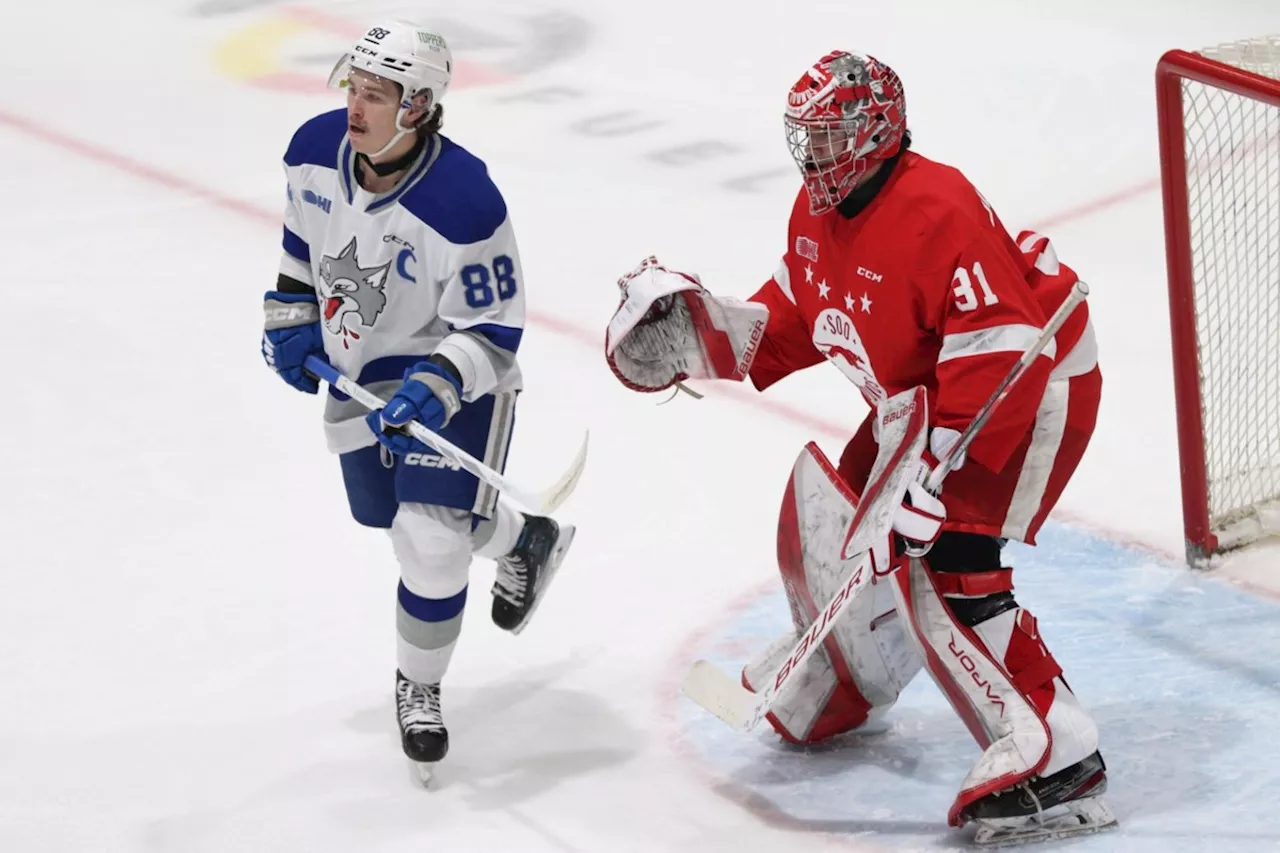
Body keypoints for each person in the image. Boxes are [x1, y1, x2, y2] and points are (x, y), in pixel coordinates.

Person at [604, 50, 1112, 843]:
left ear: (877, 132)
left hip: (1030, 385)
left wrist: (936, 474)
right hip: (931, 395)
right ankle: (846, 677)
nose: (815, 157)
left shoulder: (936, 205)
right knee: (835, 521)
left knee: (948, 559)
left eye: (833, 136)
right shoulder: (814, 215)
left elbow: (1001, 343)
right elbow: (804, 315)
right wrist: (705, 335)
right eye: (807, 137)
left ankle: (1058, 752)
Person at [259, 19, 574, 774]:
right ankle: (524, 539)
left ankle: (420, 687)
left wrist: (436, 390)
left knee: (428, 544)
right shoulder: (312, 150)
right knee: (388, 515)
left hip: (455, 377)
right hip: (361, 376)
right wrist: (292, 320)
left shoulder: (464, 201)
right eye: (353, 88)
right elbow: (301, 248)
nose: (355, 107)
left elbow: (494, 325)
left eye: (377, 94)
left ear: (419, 105)